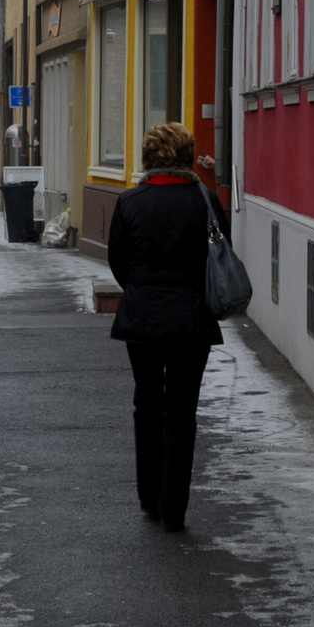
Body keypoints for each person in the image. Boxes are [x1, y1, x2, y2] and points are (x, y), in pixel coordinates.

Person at [107, 122, 226, 532]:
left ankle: (148, 495)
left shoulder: (130, 202)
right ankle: (174, 508)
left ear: (149, 158)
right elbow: (219, 253)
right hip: (192, 321)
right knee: (181, 412)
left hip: (142, 320)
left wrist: (142, 290)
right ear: (187, 156)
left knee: (147, 404)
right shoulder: (205, 200)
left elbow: (119, 263)